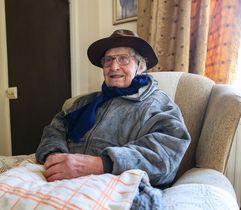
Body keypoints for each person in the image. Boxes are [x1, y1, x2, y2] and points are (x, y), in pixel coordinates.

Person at [35, 29, 191, 208]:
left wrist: (100, 164)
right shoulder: (86, 102)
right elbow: (56, 127)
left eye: (123, 59)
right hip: (63, 183)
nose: (114, 66)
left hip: (116, 188)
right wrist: (55, 156)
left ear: (140, 66)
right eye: (108, 60)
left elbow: (167, 152)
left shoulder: (158, 104)